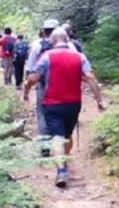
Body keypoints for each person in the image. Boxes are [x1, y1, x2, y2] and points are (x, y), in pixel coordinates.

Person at [24, 27, 104, 187]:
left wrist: (26, 89)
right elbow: (90, 77)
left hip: (52, 103)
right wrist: (99, 100)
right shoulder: (79, 56)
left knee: (56, 137)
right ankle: (64, 161)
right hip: (74, 103)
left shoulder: (47, 56)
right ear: (67, 40)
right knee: (67, 135)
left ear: (52, 41)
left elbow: (33, 78)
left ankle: (61, 171)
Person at [26, 20, 60, 156]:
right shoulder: (68, 45)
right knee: (60, 114)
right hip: (64, 86)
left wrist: (27, 87)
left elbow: (31, 67)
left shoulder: (38, 45)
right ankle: (60, 145)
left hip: (43, 85)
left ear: (44, 31)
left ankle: (45, 147)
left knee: (42, 114)